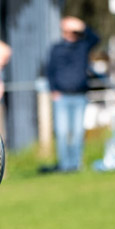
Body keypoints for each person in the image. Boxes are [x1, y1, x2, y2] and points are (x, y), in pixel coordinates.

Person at [45, 16, 99, 173]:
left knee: (77, 133)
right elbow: (49, 70)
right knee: (62, 132)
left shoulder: (83, 46)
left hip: (80, 95)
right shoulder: (56, 48)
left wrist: (82, 25)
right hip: (62, 96)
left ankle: (76, 164)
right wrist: (53, 90)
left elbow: (96, 39)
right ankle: (65, 165)